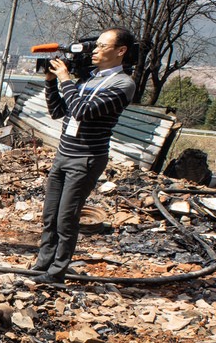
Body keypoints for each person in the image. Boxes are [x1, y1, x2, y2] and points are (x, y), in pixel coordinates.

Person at [33, 28, 138, 284]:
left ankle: (57, 272)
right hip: (64, 154)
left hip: (86, 158)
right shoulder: (87, 79)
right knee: (50, 215)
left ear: (120, 51)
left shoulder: (123, 84)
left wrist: (66, 79)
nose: (96, 50)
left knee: (66, 217)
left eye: (102, 46)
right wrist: (50, 82)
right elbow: (58, 111)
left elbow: (82, 111)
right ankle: (42, 264)